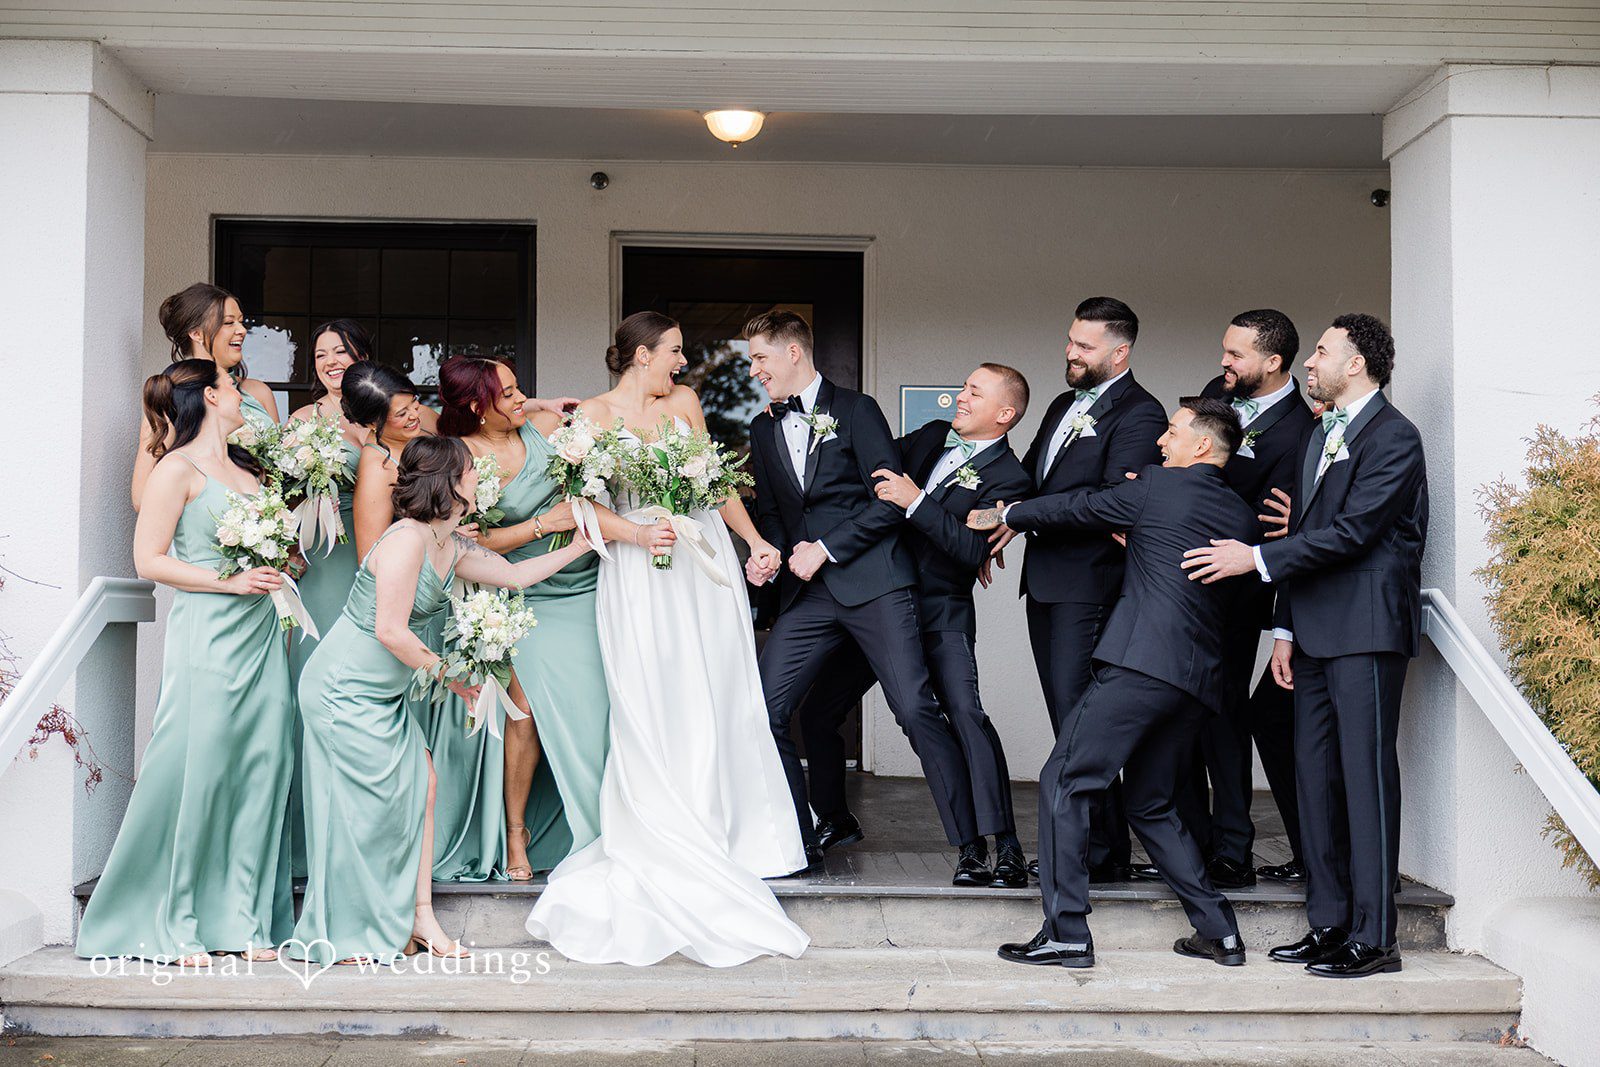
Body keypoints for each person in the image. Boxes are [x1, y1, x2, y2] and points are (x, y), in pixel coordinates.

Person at [525, 311, 809, 968]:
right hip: (638, 570)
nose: (683, 361)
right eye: (675, 350)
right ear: (642, 354)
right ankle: (662, 818)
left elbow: (716, 484)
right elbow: (583, 505)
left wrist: (755, 541)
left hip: (700, 563)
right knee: (651, 689)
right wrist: (634, 533)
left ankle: (733, 829)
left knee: (717, 687)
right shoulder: (591, 416)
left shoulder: (684, 402)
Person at [972, 398, 1257, 969]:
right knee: (1150, 803)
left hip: (1141, 665)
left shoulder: (1157, 487)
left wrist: (1009, 513)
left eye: (1172, 432)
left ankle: (1067, 933)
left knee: (1063, 780)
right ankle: (1219, 932)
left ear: (1202, 445)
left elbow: (1080, 507)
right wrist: (1143, 531)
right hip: (1196, 681)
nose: (1161, 441)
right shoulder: (1241, 516)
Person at [1183, 314, 1428, 979]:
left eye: (1321, 351)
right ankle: (1329, 923)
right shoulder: (1321, 431)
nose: (1311, 362)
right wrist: (1284, 630)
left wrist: (1256, 559)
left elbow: (1353, 532)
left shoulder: (1395, 437)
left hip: (1366, 630)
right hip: (1311, 632)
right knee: (1314, 780)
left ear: (1357, 364)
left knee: (1365, 780)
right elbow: (1306, 531)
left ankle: (1376, 937)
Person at [292, 436, 593, 964]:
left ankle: (420, 916)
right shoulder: (407, 539)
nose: (479, 475)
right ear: (449, 481)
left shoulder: (448, 544)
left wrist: (581, 546)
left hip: (383, 695)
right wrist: (453, 678)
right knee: (361, 806)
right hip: (343, 689)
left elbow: (514, 576)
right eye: (472, 469)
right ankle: (348, 929)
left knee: (422, 785)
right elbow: (390, 630)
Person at [742, 309, 980, 875]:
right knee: (762, 709)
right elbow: (775, 512)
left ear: (793, 352)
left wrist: (825, 548)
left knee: (914, 708)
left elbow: (889, 503)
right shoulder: (762, 428)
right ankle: (799, 841)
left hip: (876, 583)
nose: (753, 371)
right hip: (809, 595)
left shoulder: (857, 409)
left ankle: (973, 845)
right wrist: (768, 551)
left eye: (759, 358)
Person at [78, 360, 294, 966]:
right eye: (232, 387)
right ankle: (176, 920)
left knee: (262, 766)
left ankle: (245, 919)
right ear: (209, 398)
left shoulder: (249, 469)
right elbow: (148, 560)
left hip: (262, 634)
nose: (244, 396)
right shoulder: (176, 469)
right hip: (209, 635)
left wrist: (281, 565)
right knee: (201, 768)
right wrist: (229, 582)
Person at [792, 363, 1035, 887]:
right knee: (818, 712)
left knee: (964, 714)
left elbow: (969, 549)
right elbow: (864, 469)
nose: (960, 396)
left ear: (1004, 413)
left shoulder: (1010, 479)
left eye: (974, 392)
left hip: (938, 613)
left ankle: (1000, 845)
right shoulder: (930, 437)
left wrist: (916, 501)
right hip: (876, 605)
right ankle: (835, 817)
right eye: (963, 386)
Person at [435, 355, 646, 882]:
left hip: (588, 584)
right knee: (523, 711)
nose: (521, 399)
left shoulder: (547, 425)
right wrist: (541, 525)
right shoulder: (463, 457)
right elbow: (474, 543)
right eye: (507, 393)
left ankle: (614, 820)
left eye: (518, 388)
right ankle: (516, 831)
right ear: (477, 407)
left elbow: (590, 489)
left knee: (600, 702)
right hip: (525, 595)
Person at [990, 297, 1165, 881]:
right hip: (1045, 582)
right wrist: (986, 507)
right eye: (1070, 340)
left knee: (1081, 721)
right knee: (1068, 718)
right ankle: (1098, 848)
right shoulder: (1064, 404)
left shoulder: (1140, 413)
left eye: (1085, 346)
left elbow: (1113, 501)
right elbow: (1031, 476)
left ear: (1121, 351)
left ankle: (1099, 852)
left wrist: (1019, 515)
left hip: (1090, 585)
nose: (1071, 352)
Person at [1153, 310, 1314, 889]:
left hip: (1241, 590)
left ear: (1273, 362)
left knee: (1222, 712)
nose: (1223, 362)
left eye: (1236, 355)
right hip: (1179, 581)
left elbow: (1297, 518)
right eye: (1225, 350)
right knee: (1180, 711)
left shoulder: (1304, 430)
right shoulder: (1213, 397)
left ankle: (1232, 848)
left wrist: (1300, 522)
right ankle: (1190, 842)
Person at [284, 319, 373, 881]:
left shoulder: (386, 410)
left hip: (373, 558)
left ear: (362, 354)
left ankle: (365, 833)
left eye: (341, 351)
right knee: (312, 686)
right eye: (321, 355)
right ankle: (308, 841)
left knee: (366, 685)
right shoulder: (301, 421)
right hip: (321, 563)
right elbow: (279, 492)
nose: (331, 361)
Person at [132, 283, 278, 511]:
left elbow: (279, 472)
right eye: (229, 322)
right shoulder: (172, 397)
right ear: (196, 333)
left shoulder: (259, 393)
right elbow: (142, 498)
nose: (241, 330)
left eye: (241, 321)